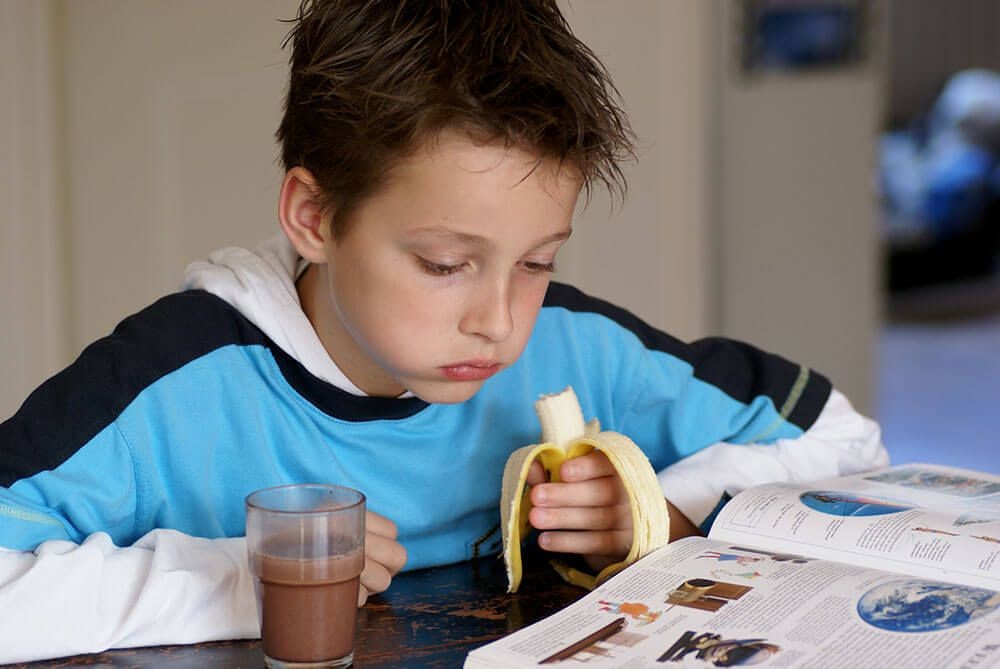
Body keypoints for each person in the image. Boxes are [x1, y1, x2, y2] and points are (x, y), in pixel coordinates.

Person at [0, 0, 887, 662]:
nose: (500, 320)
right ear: (314, 214)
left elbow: (843, 437)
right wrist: (246, 578)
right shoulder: (168, 385)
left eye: (537, 262)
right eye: (442, 263)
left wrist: (666, 507)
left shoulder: (573, 346)